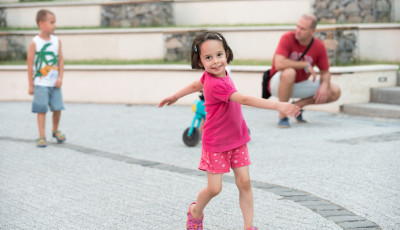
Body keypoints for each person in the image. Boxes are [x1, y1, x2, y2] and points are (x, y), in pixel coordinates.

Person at [159, 31, 300, 230]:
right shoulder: (216, 83)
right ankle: (195, 211)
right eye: (208, 58)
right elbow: (244, 99)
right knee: (215, 188)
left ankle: (249, 227)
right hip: (216, 143)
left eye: (219, 55)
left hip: (238, 139)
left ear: (226, 53)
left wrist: (175, 96)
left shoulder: (219, 73)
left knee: (245, 182)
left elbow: (195, 84)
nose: (215, 61)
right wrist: (279, 106)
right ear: (200, 62)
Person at [268, 14, 341, 128]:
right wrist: (304, 64)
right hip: (277, 84)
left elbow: (325, 72)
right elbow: (279, 63)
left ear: (312, 31)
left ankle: (296, 107)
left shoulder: (318, 46)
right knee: (289, 72)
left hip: (299, 85)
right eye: (297, 26)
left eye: (303, 28)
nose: (298, 30)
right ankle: (283, 115)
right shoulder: (287, 38)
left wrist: (324, 85)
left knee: (334, 91)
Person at [27, 9, 66, 147]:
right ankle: (41, 135)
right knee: (41, 109)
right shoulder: (35, 42)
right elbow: (30, 64)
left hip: (54, 83)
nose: (54, 25)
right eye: (51, 22)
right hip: (40, 83)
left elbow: (60, 60)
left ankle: (55, 130)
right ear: (41, 23)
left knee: (57, 107)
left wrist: (60, 77)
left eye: (55, 22)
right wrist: (31, 84)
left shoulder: (56, 41)